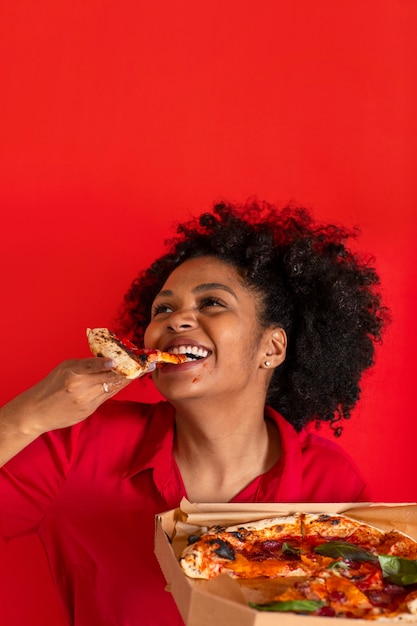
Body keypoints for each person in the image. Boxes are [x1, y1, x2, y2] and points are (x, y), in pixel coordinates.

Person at [0, 201, 388, 626]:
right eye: (162, 309)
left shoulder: (330, 485)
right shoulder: (77, 445)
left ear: (272, 348)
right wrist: (25, 418)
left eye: (212, 303)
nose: (179, 318)